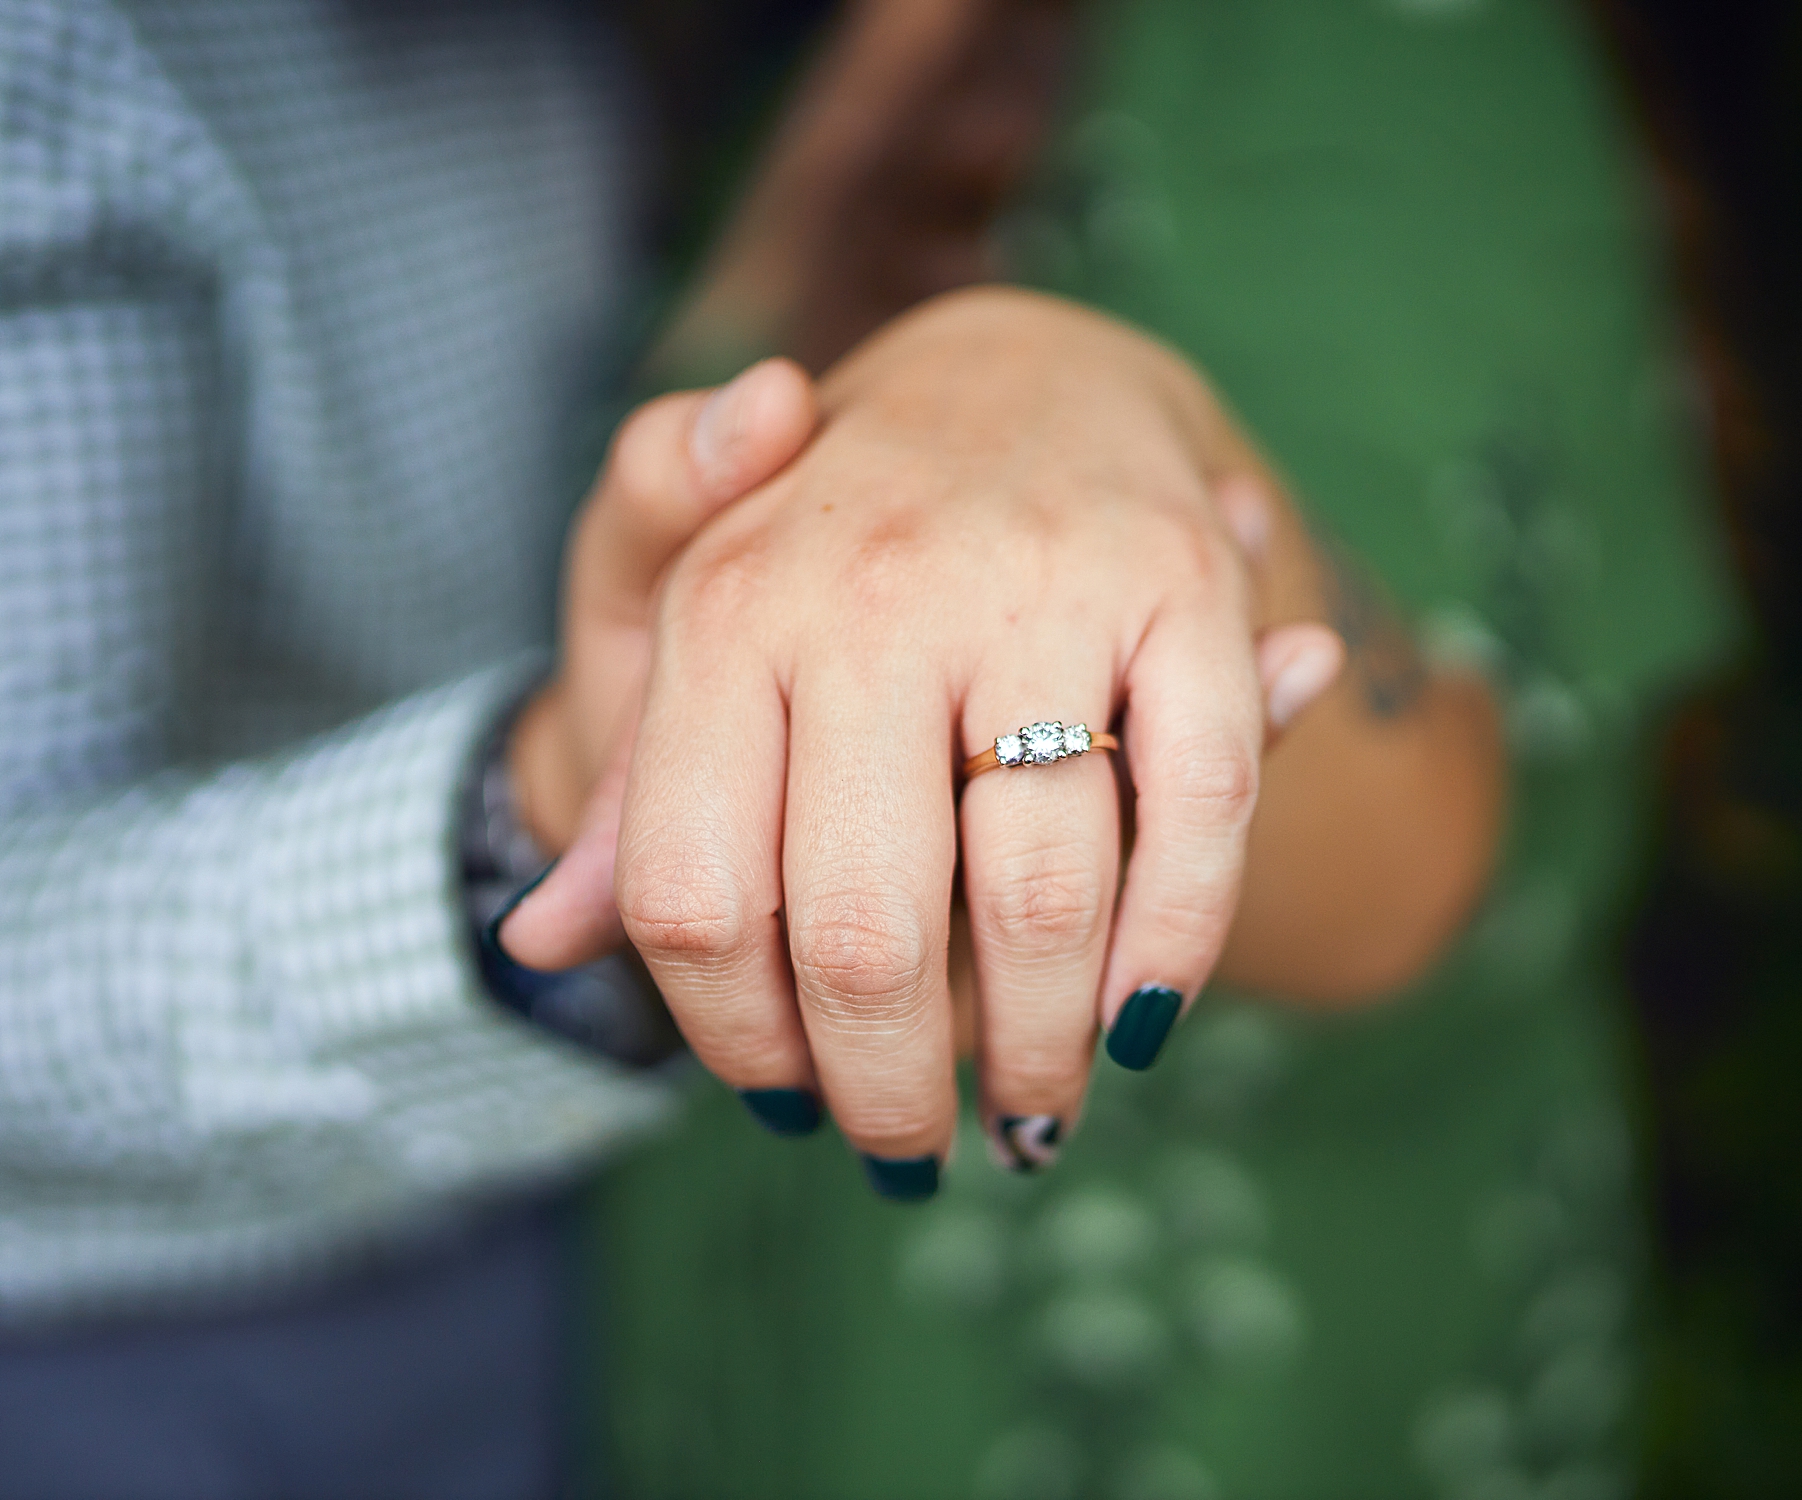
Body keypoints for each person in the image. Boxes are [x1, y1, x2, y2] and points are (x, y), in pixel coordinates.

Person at [0, 1, 1498, 1494]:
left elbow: (1438, 827)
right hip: (183, 1316)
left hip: (729, 1296)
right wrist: (542, 808)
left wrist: (1053, 391)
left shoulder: (591, 54)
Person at [582, 1, 1742, 1497]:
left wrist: (1038, 389)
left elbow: (1425, 834)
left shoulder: (1373, 48)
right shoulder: (810, 53)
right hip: (738, 1339)